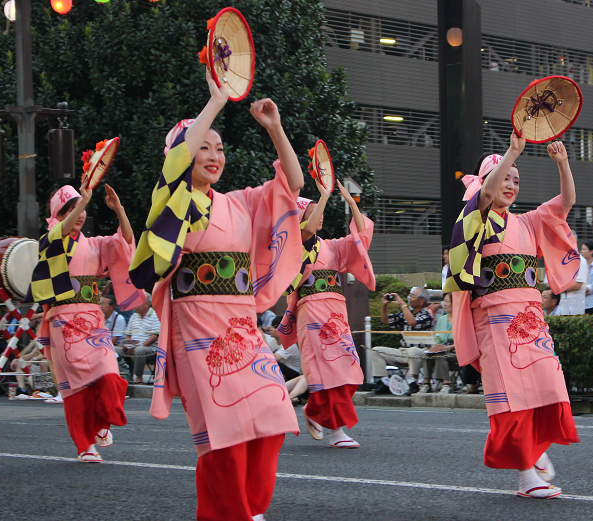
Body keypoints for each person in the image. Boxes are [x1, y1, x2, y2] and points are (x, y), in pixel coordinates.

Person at [129, 71, 304, 520]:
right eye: (203, 145)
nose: (213, 154)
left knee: (273, 415)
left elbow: (294, 184)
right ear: (182, 154)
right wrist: (215, 101)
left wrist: (275, 128)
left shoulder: (240, 202)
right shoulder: (174, 196)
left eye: (220, 147)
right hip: (197, 329)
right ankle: (231, 513)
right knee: (223, 435)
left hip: (242, 328)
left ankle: (247, 510)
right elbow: (177, 162)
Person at [444, 136, 580, 499]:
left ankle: (535, 453)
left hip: (530, 318)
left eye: (516, 180)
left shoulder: (528, 222)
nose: (510, 184)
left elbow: (566, 203)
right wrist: (514, 152)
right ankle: (526, 475)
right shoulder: (478, 216)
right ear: (486, 182)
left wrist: (562, 163)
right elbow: (486, 194)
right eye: (504, 177)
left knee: (549, 386)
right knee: (513, 395)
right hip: (494, 320)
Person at [29, 181, 145, 462]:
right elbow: (62, 229)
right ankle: (85, 445)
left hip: (93, 319)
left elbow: (125, 242)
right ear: (58, 213)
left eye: (80, 208)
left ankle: (103, 422)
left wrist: (119, 209)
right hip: (63, 320)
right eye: (70, 208)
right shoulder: (50, 241)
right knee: (78, 385)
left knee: (109, 371)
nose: (79, 214)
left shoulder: (93, 245)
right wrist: (86, 199)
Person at [277, 182, 375, 449]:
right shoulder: (296, 246)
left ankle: (313, 411)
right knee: (327, 372)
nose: (317, 217)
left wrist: (353, 204)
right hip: (312, 314)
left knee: (347, 369)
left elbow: (360, 239)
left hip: (336, 314)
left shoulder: (330, 247)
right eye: (311, 212)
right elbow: (307, 231)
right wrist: (323, 195)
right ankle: (336, 432)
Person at [370, 287, 435, 394]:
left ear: (422, 300)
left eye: (412, 296)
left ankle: (412, 383)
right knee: (376, 350)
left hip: (421, 351)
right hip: (403, 350)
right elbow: (385, 320)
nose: (409, 298)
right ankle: (384, 382)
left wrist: (402, 304)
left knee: (413, 350)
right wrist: (384, 305)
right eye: (409, 295)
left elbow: (412, 322)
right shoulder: (404, 313)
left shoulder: (426, 314)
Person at [119, 293, 160, 385]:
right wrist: (127, 345)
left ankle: (138, 377)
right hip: (132, 346)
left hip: (150, 348)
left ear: (146, 304)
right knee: (115, 350)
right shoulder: (134, 316)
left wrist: (138, 346)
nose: (135, 306)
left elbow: (154, 336)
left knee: (139, 350)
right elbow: (128, 334)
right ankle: (124, 375)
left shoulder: (155, 315)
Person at [423, 291, 455, 394]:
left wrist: (448, 347)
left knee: (441, 355)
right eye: (443, 301)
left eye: (447, 301)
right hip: (442, 348)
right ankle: (426, 384)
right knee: (428, 354)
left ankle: (446, 384)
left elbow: (464, 341)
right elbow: (436, 337)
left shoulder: (462, 319)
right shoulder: (442, 319)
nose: (444, 304)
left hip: (455, 351)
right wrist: (434, 346)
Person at [558, 233, 587, 315]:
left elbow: (577, 285)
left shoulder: (580, 260)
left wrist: (559, 287)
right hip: (563, 306)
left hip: (575, 308)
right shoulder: (561, 260)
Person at [579, 241, 593, 314]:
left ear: (591, 251)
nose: (581, 251)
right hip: (581, 303)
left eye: (584, 249)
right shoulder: (581, 265)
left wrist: (580, 288)